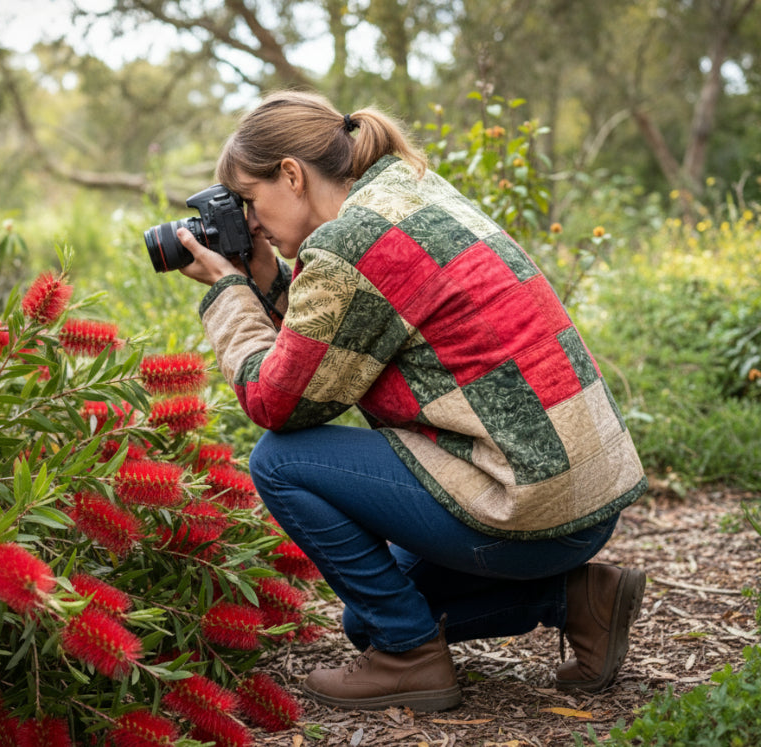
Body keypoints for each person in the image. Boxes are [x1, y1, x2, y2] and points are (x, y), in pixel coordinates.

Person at [175, 90, 647, 712]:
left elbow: (274, 402)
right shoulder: (405, 192)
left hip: (526, 512)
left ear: (291, 174)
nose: (251, 223)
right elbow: (331, 352)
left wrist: (230, 292)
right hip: (583, 501)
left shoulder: (353, 242)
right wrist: (266, 281)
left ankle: (410, 659)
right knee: (366, 621)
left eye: (249, 201)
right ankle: (577, 600)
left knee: (279, 461)